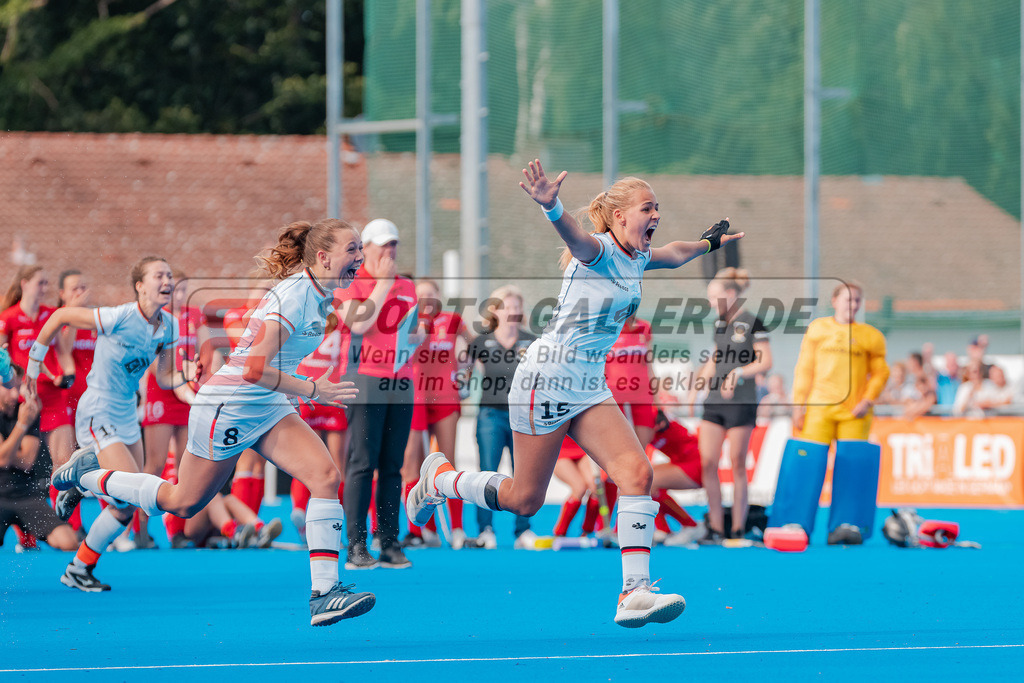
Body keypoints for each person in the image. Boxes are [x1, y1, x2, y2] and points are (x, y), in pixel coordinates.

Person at [407, 160, 742, 627]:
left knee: (636, 473)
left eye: (658, 207)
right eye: (648, 207)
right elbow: (573, 236)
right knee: (526, 499)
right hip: (546, 378)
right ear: (621, 216)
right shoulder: (599, 249)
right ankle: (443, 480)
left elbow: (676, 252)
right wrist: (552, 206)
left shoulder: (639, 254)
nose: (656, 215)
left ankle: (634, 591)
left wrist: (709, 243)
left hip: (588, 383)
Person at [51, 219, 375, 626]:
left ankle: (324, 594)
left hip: (268, 404)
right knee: (181, 502)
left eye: (361, 248)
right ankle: (91, 475)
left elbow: (268, 365)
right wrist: (312, 389)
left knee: (326, 476)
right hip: (232, 405)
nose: (360, 257)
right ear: (323, 257)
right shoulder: (295, 297)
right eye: (353, 249)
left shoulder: (319, 292)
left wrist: (294, 387)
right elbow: (254, 369)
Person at [26, 256, 186, 589]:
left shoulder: (169, 325)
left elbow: (168, 376)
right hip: (99, 407)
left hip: (127, 411)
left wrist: (190, 376)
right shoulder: (119, 316)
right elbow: (60, 315)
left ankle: (79, 567)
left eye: (169, 275)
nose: (167, 281)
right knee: (130, 487)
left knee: (127, 505)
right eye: (159, 275)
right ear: (140, 286)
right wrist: (34, 360)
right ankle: (81, 476)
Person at [334, 218, 418, 570]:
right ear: (364, 248)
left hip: (400, 379)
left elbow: (412, 332)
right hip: (362, 378)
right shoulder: (348, 283)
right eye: (383, 244)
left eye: (394, 244)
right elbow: (360, 324)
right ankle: (355, 544)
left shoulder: (408, 286)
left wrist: (418, 336)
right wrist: (382, 285)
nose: (390, 250)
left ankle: (389, 540)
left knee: (393, 466)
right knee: (362, 462)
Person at [687, 268, 772, 543]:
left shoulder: (753, 323)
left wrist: (738, 373)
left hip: (741, 402)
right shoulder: (719, 324)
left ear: (731, 294)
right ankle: (715, 528)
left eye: (715, 297)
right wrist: (696, 387)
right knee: (708, 463)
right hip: (714, 402)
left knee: (736, 464)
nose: (711, 303)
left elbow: (765, 362)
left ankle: (737, 527)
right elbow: (715, 358)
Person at [462, 284, 537, 549]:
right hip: (490, 415)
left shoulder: (532, 341)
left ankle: (522, 532)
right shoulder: (481, 341)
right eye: (507, 307)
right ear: (496, 311)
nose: (512, 312)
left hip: (523, 419)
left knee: (524, 474)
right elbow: (464, 373)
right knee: (487, 472)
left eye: (517, 307)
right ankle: (485, 530)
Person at [402, 278, 472, 550]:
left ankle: (457, 529)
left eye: (431, 294)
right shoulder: (409, 322)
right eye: (421, 296)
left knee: (448, 462)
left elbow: (469, 346)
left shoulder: (452, 319)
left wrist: (465, 362)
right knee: (413, 465)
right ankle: (421, 531)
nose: (426, 300)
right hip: (415, 397)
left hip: (445, 396)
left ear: (439, 296)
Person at [138, 272, 200, 548]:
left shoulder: (193, 316)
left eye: (184, 290)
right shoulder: (157, 320)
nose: (179, 295)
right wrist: (183, 377)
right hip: (161, 392)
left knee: (187, 466)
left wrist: (198, 374)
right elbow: (157, 368)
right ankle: (139, 531)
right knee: (156, 465)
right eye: (175, 290)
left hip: (185, 394)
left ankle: (177, 532)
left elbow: (203, 352)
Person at [791, 281, 889, 444]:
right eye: (848, 300)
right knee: (811, 460)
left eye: (857, 300)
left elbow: (881, 373)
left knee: (850, 466)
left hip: (854, 411)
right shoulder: (817, 328)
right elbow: (804, 370)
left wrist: (867, 400)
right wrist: (797, 407)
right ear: (834, 301)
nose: (853, 305)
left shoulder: (871, 335)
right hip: (819, 408)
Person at [0, 356, 78, 551]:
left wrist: (9, 450)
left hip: (27, 496)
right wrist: (22, 424)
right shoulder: (26, 416)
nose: (14, 393)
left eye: (17, 387)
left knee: (69, 542)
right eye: (7, 387)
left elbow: (26, 461)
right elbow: (3, 460)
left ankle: (29, 535)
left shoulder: (27, 410)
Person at [292, 312, 349, 542]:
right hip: (331, 390)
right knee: (337, 463)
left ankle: (299, 508)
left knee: (307, 459)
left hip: (310, 390)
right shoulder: (342, 320)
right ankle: (335, 520)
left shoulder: (302, 317)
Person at [605, 314, 658, 448]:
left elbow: (650, 367)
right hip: (615, 395)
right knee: (619, 446)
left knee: (642, 447)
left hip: (642, 394)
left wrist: (659, 405)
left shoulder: (644, 327)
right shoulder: (606, 328)